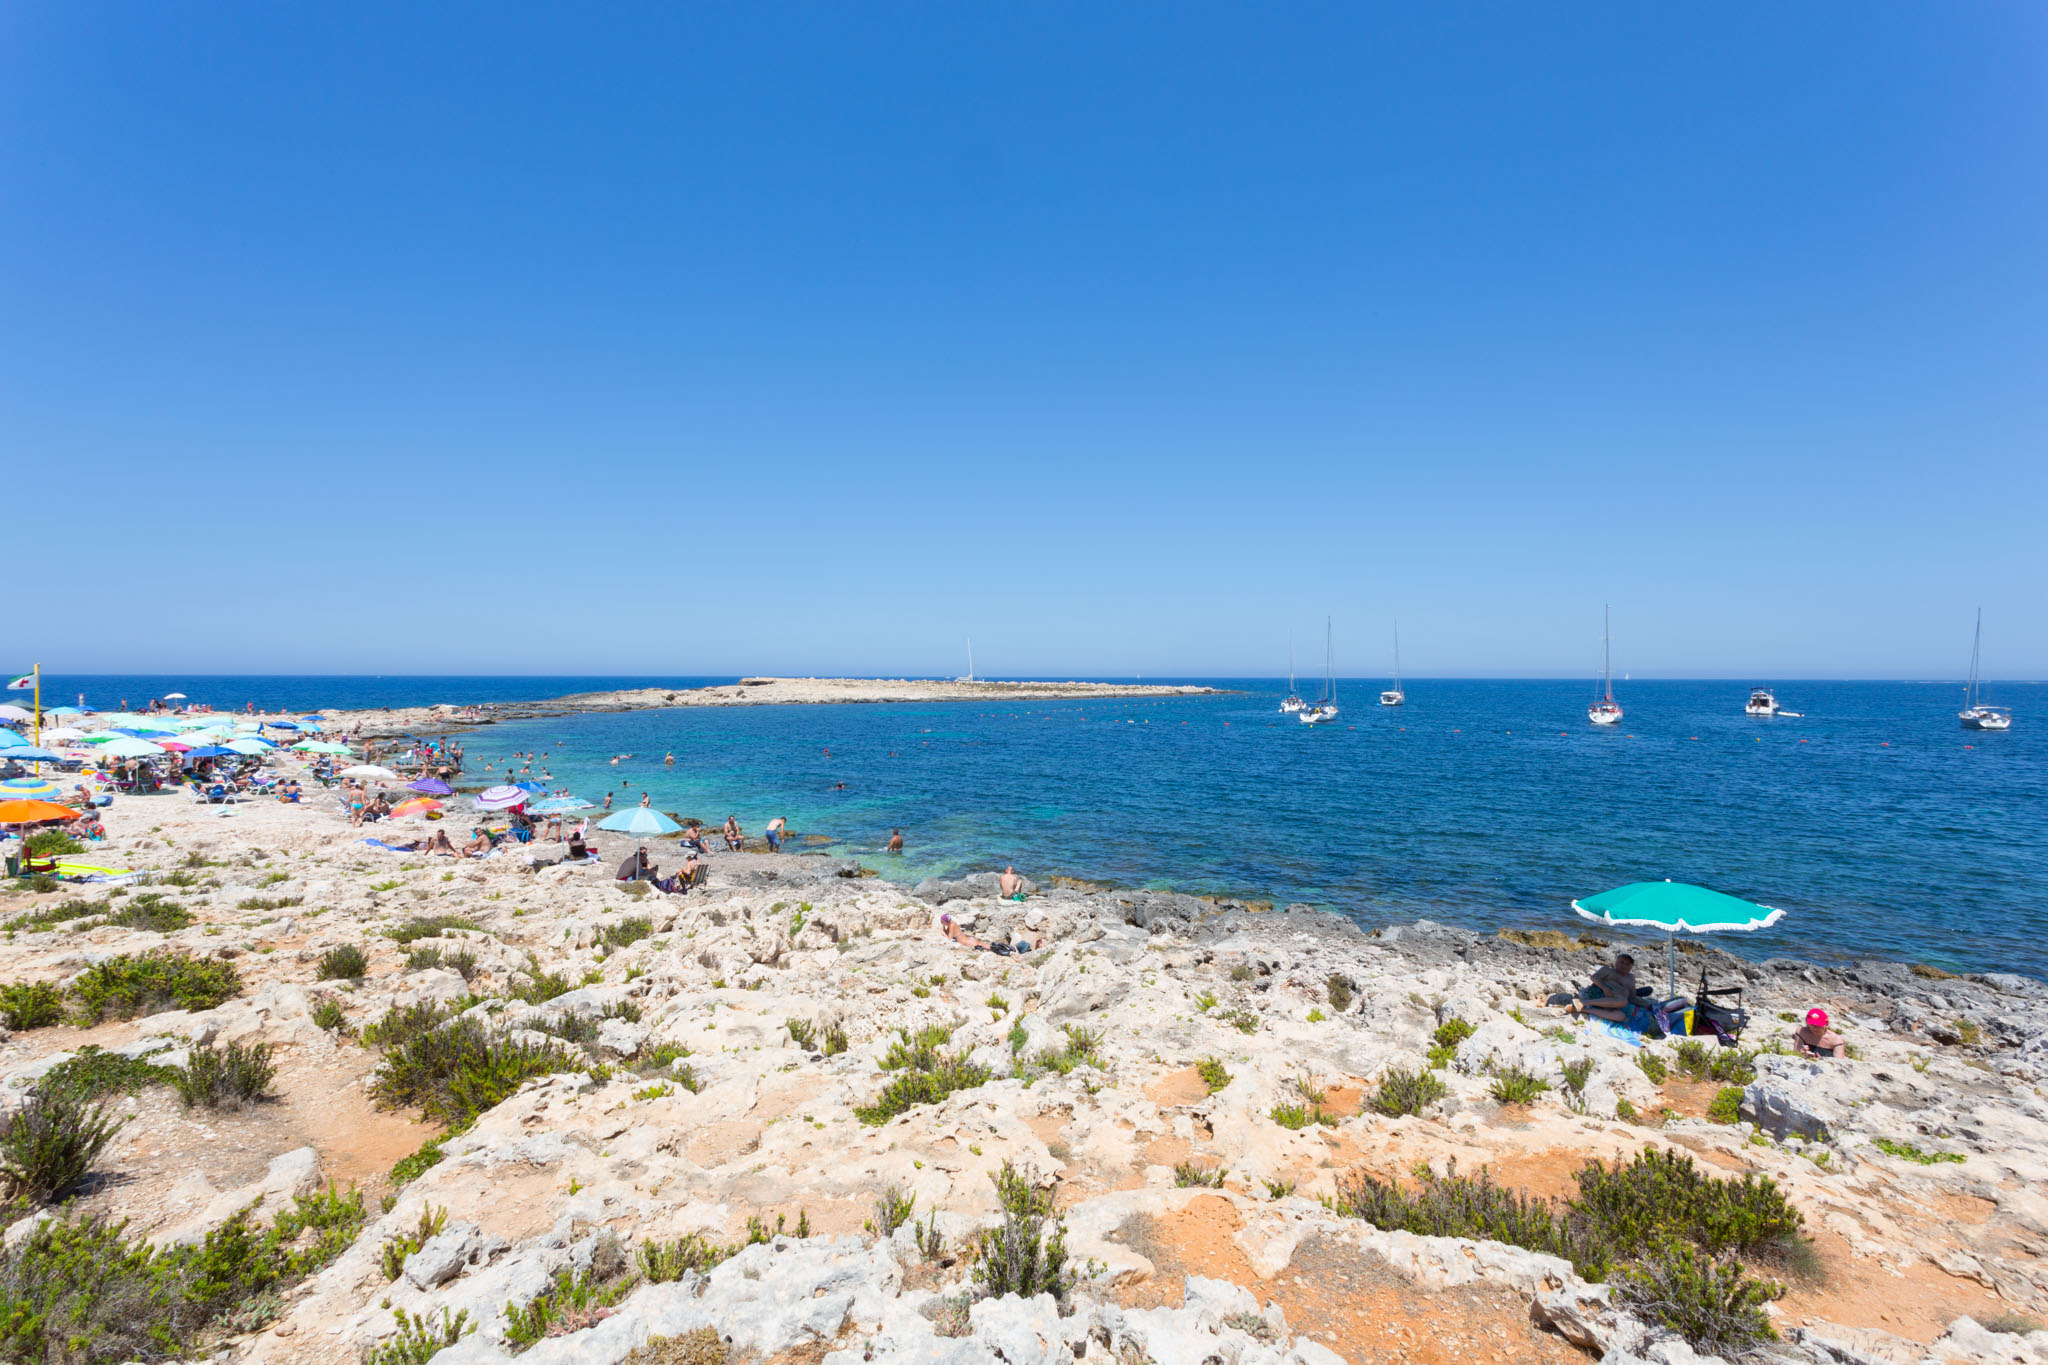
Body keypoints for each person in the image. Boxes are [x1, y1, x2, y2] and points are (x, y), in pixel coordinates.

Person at [1570, 954, 1640, 1023]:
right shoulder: (1608, 970)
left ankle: (1581, 1009)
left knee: (1621, 1017)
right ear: (1616, 962)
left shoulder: (1631, 978)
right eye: (1621, 962)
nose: (1624, 965)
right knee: (1623, 1001)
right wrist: (1605, 988)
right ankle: (1582, 1002)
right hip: (1599, 995)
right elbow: (1593, 977)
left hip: (1614, 1003)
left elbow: (1632, 997)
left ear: (1631, 967)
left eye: (1627, 964)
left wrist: (1647, 1005)